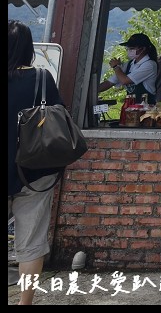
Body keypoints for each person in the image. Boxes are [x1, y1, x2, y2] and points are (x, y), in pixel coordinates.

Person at [8, 20, 64, 305]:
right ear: (29, 48)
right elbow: (60, 119)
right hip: (34, 172)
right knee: (30, 245)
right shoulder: (42, 78)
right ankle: (24, 303)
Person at [97, 33, 159, 105]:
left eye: (132, 48)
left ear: (143, 48)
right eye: (128, 48)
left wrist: (116, 67)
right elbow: (110, 82)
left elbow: (125, 80)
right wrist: (93, 91)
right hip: (131, 108)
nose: (129, 51)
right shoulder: (129, 64)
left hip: (146, 108)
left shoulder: (149, 65)